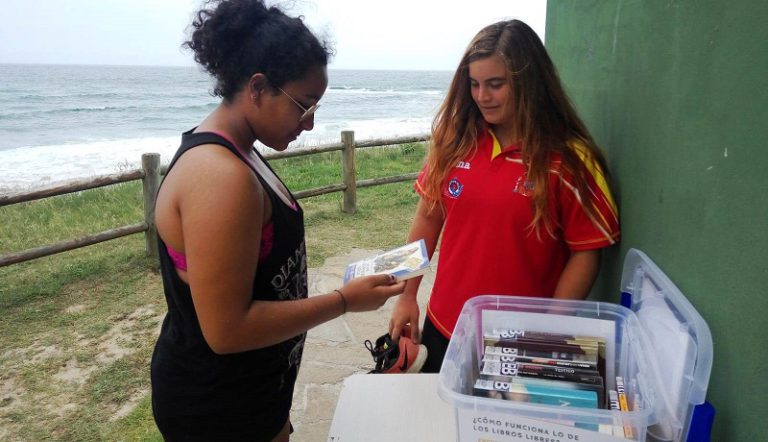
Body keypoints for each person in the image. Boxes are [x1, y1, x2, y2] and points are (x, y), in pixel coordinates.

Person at [150, 1, 405, 440]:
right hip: (217, 408)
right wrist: (344, 301)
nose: (309, 123)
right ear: (258, 87)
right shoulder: (220, 176)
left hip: (253, 391)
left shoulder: (242, 152)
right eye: (303, 105)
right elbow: (227, 330)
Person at [388, 19, 620, 373]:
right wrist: (407, 295)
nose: (482, 96)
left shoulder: (569, 160)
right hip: (444, 325)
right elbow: (428, 217)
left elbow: (586, 251)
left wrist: (551, 329)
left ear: (530, 84)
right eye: (475, 84)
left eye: (496, 85)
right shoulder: (456, 140)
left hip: (520, 341)